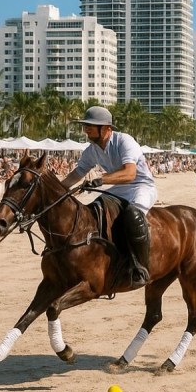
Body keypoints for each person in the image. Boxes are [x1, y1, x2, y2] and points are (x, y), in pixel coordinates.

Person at [61, 106, 157, 288]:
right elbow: (78, 172)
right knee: (95, 207)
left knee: (133, 215)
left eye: (91, 126)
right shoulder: (92, 150)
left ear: (106, 129)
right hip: (120, 188)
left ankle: (140, 267)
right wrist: (59, 190)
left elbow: (130, 174)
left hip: (141, 186)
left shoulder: (124, 141)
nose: (86, 129)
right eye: (86, 126)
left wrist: (101, 180)